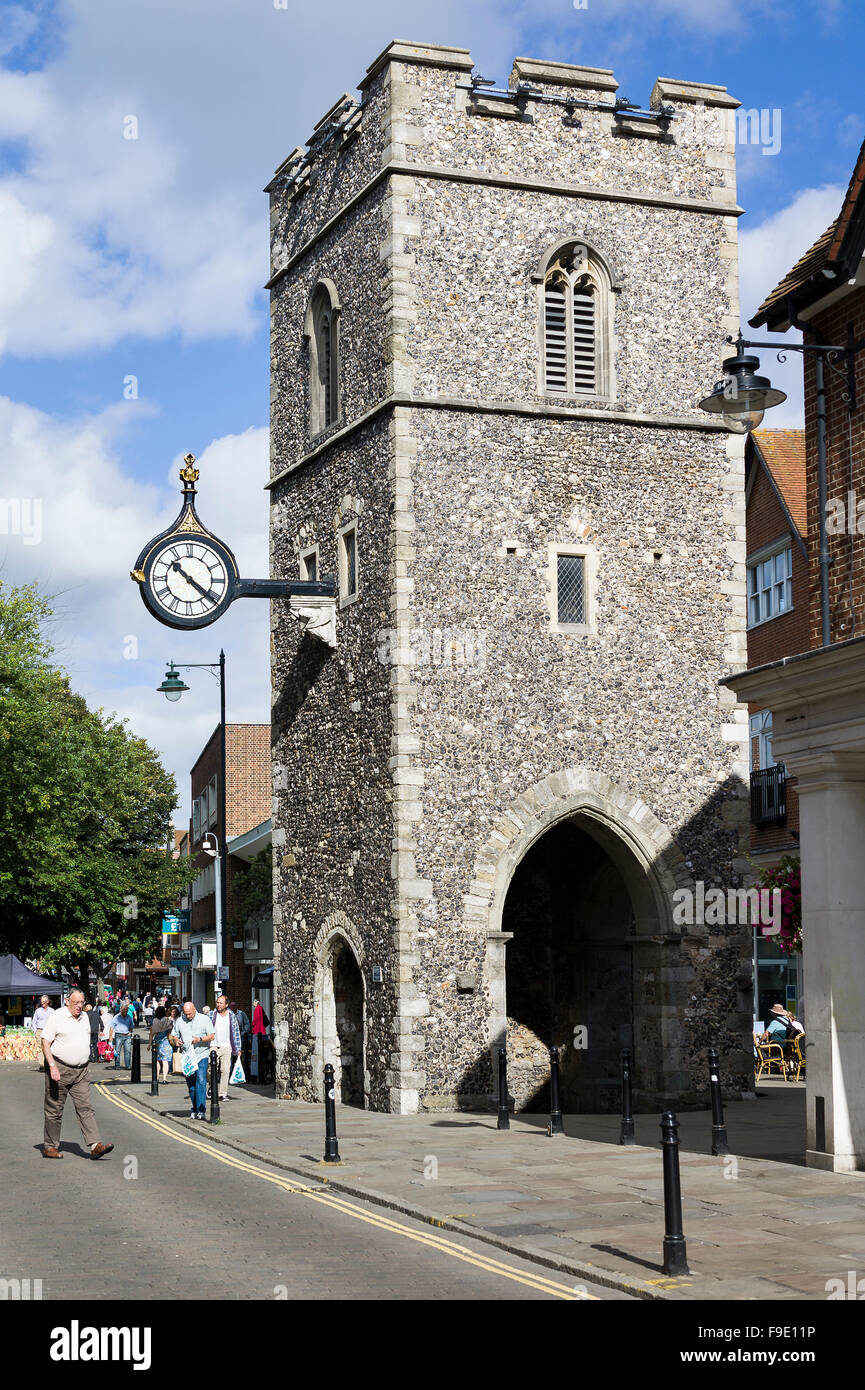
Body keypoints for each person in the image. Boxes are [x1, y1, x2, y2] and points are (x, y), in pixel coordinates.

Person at [40, 989, 114, 1160]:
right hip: (60, 1068)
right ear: (67, 1001)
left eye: (82, 1002)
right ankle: (50, 1147)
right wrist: (52, 1066)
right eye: (76, 1003)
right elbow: (45, 1042)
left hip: (81, 1070)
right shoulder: (57, 1017)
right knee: (54, 1109)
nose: (80, 1006)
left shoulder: (85, 1017)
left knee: (85, 1108)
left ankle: (95, 1145)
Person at [170, 1001, 215, 1119]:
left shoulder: (204, 1019)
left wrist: (199, 1039)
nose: (188, 1016)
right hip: (187, 1057)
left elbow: (212, 1035)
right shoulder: (180, 1021)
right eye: (186, 1014)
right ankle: (194, 1108)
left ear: (194, 1010)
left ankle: (202, 1110)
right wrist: (176, 1040)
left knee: (200, 1080)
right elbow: (174, 1035)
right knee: (191, 1085)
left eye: (189, 1014)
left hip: (201, 1055)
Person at [209, 996, 242, 1101]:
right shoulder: (211, 1014)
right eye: (217, 1002)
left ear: (226, 1005)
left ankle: (223, 1093)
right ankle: (211, 1086)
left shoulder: (231, 1016)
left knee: (225, 1070)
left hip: (227, 1046)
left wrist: (238, 1049)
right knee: (210, 1069)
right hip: (213, 1045)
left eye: (221, 1003)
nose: (218, 1005)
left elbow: (236, 1033)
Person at [149, 1006, 174, 1083]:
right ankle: (164, 1078)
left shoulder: (155, 1021)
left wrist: (149, 1044)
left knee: (158, 1060)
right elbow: (171, 1031)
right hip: (166, 1042)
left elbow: (151, 1033)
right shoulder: (168, 1020)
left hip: (157, 1041)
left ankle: (156, 1078)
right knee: (165, 1061)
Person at [108, 1001, 136, 1069]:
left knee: (128, 1051)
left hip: (127, 1036)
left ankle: (128, 1065)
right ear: (121, 1010)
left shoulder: (129, 1017)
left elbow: (131, 1026)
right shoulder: (116, 1017)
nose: (125, 1012)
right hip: (119, 1035)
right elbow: (111, 1027)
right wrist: (110, 1038)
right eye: (124, 1010)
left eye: (126, 1010)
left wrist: (130, 1032)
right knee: (117, 1051)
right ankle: (117, 1065)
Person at [32, 995, 55, 1071]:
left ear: (47, 1002)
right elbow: (34, 1022)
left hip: (48, 1031)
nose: (42, 1003)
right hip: (39, 1030)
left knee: (48, 1048)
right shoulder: (37, 1011)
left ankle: (48, 1064)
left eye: (44, 1002)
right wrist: (35, 1031)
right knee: (40, 1048)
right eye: (41, 1001)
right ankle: (42, 1065)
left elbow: (54, 1022)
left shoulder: (52, 1011)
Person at [251, 998, 269, 1081]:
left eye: (254, 1002)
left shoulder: (257, 1009)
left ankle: (257, 1073)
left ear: (256, 1002)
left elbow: (256, 1019)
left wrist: (253, 1024)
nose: (253, 1003)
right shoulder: (261, 1008)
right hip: (262, 1030)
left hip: (257, 1030)